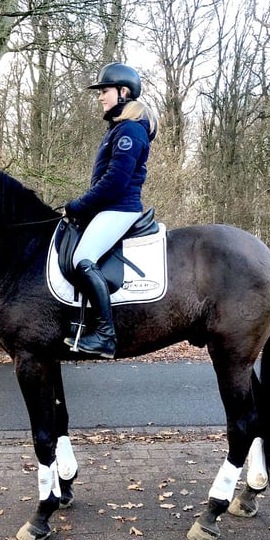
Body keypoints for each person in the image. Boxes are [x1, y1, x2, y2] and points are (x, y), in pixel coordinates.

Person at [63, 62, 158, 359]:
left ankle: (105, 334)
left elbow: (115, 183)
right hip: (111, 207)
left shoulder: (130, 130)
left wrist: (79, 205)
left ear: (123, 91)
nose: (100, 97)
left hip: (120, 208)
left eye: (104, 91)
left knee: (82, 258)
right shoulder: (119, 129)